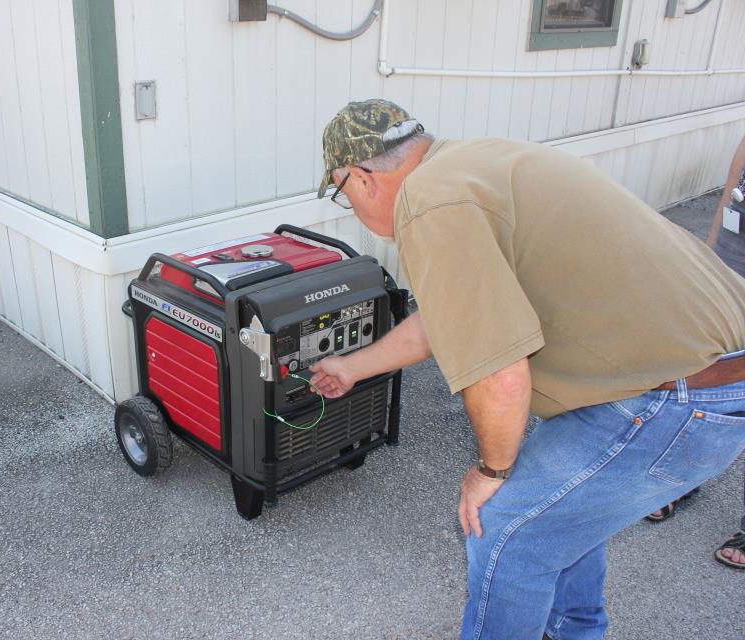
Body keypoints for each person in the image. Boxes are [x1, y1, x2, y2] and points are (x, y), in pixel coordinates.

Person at [309, 99, 745, 639]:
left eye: (340, 192)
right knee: (557, 515)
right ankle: (572, 630)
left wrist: (491, 471)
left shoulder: (427, 202)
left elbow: (500, 374)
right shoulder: (474, 163)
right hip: (700, 375)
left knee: (504, 529)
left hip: (674, 398)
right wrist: (354, 367)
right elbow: (449, 316)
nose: (349, 206)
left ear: (360, 177)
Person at [645, 136, 745, 570]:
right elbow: (728, 201)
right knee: (699, 380)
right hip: (731, 273)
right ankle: (682, 479)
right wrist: (707, 268)